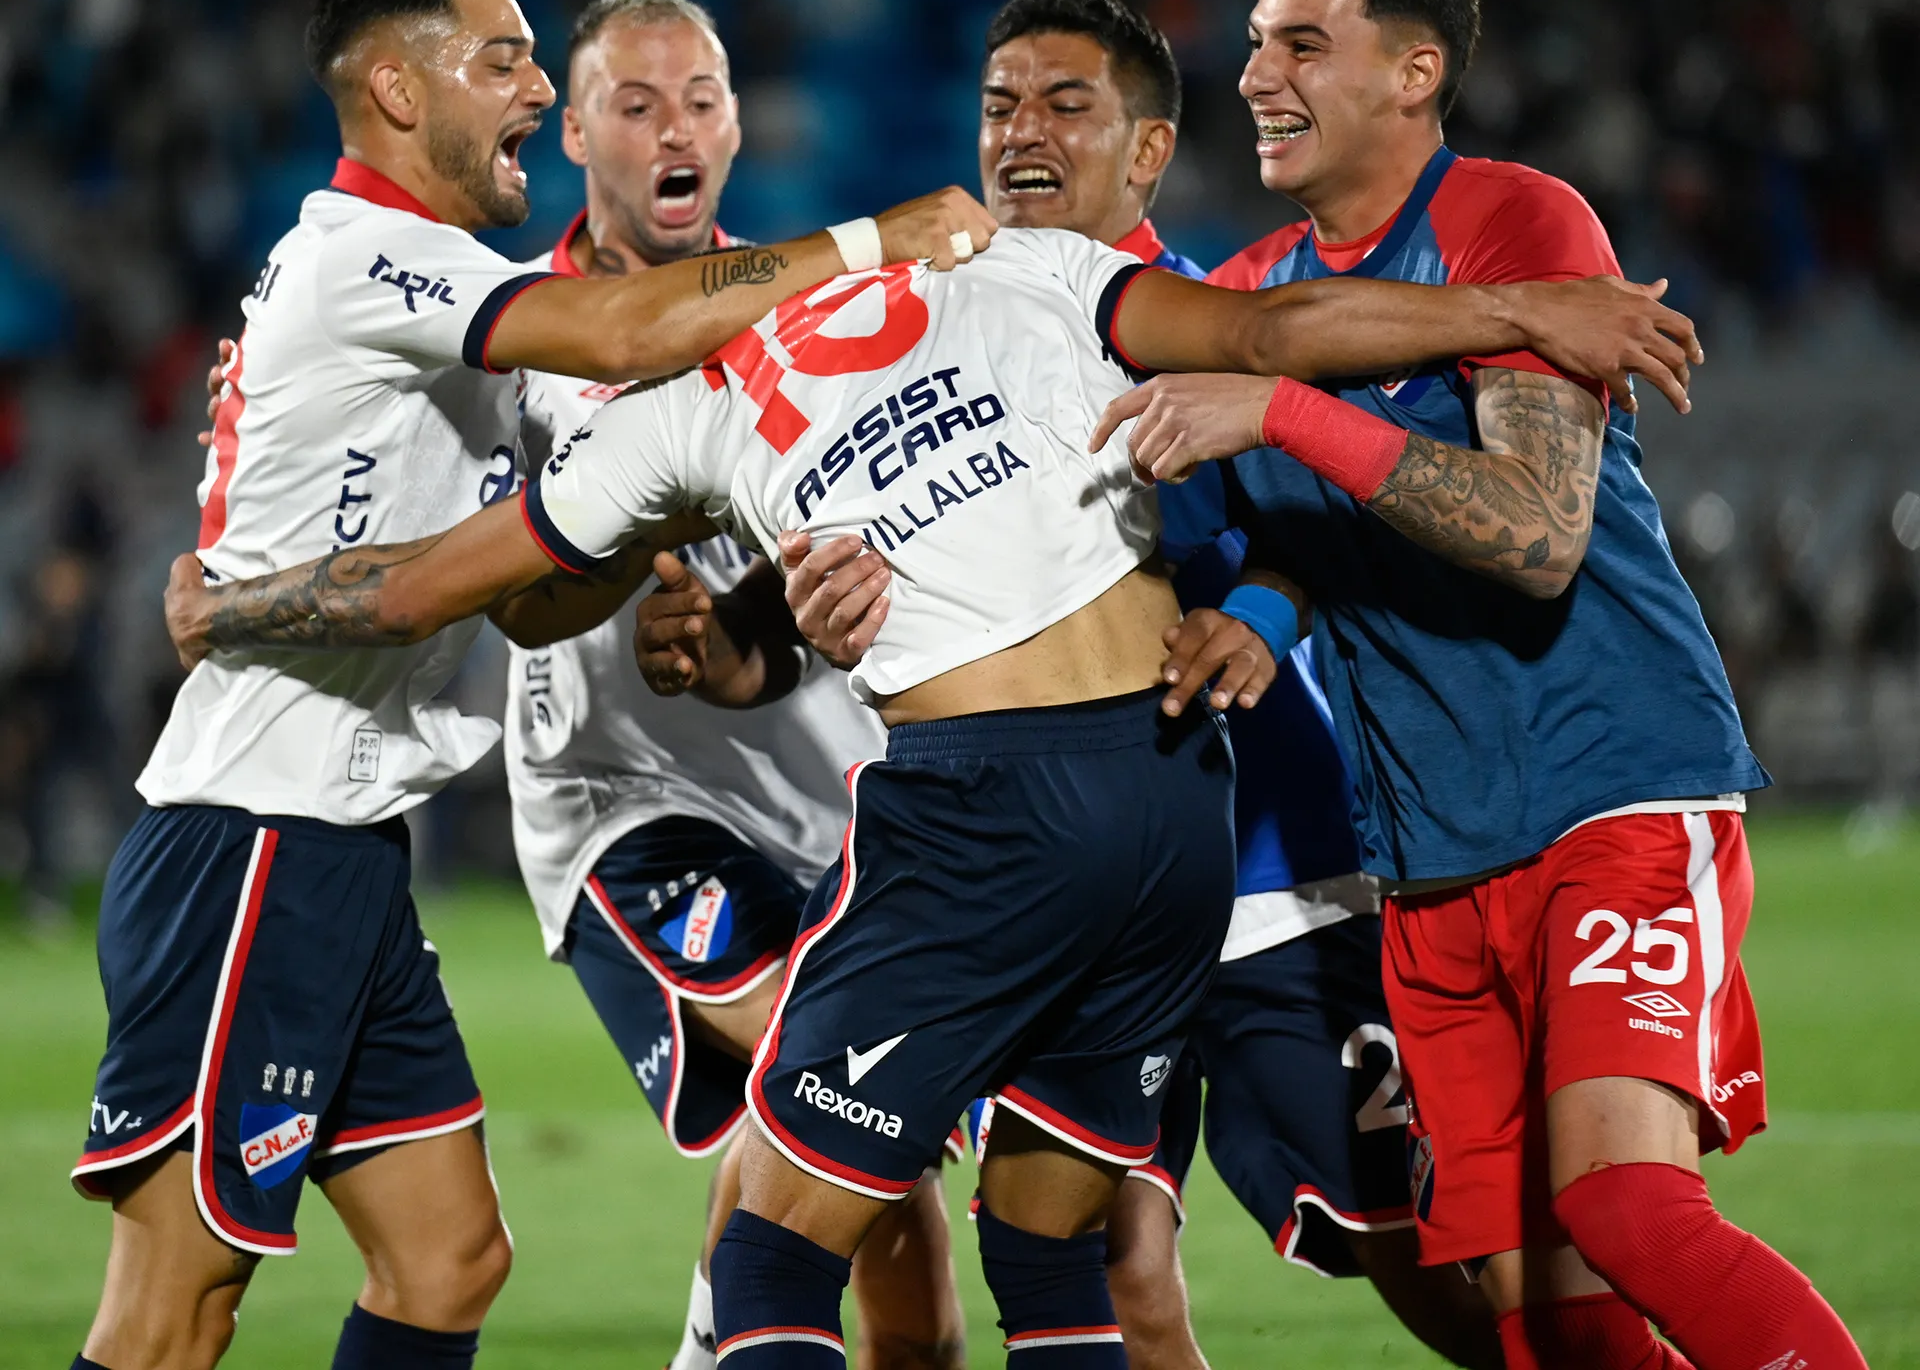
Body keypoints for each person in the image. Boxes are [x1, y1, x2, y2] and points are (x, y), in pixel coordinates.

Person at [159, 198, 1696, 1367]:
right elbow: (1275, 333)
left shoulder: (671, 416)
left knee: (771, 1251)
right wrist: (1524, 309)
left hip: (989, 813)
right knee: (1052, 1251)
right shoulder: (1016, 265)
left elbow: (427, 588)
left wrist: (227, 606)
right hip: (1177, 802)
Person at [71, 0, 990, 1370]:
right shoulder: (370, 256)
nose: (531, 85)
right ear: (397, 88)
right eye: (501, 59)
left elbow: (524, 596)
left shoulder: (429, 286)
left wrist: (656, 527)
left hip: (349, 843)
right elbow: (622, 334)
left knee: (447, 1262)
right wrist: (879, 241)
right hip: (252, 833)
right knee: (173, 1308)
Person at [1089, 0, 1867, 1370]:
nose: (1255, 76)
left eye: (1302, 44)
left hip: (1609, 792)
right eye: (1253, 43)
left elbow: (1534, 532)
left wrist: (1284, 412)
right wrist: (1264, 605)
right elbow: (1308, 523)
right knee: (1543, 1320)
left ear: (1415, 70)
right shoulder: (1253, 299)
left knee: (1630, 1210)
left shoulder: (1515, 222)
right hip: (1432, 859)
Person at [694, 0, 1494, 1370]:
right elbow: (817, 612)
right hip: (1047, 860)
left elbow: (1337, 492)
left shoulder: (1212, 316)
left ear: (1147, 148)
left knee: (1404, 1238)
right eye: (999, 105)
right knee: (1105, 1263)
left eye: (1066, 106)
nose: (1023, 134)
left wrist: (1261, 606)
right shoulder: (925, 327)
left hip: (1263, 861)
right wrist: (756, 635)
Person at [504, 0, 960, 1370]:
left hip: (831, 795)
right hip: (626, 799)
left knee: (905, 1258)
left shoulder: (816, 310)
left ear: (738, 125)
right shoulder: (516, 337)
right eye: (635, 104)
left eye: (699, 101)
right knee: (833, 1073)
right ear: (574, 131)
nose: (674, 129)